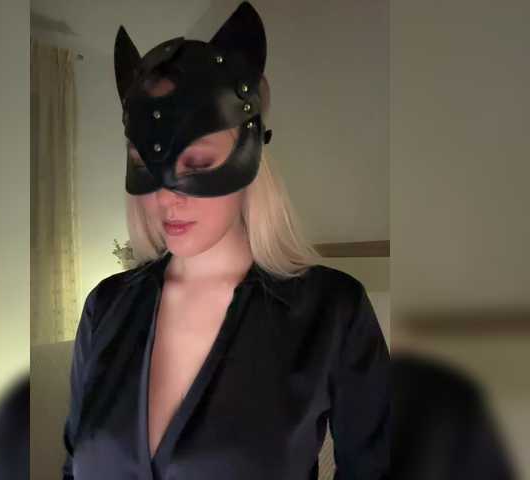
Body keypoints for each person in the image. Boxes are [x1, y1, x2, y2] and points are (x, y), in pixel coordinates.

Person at [62, 2, 390, 479]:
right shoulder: (105, 307)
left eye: (196, 163)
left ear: (251, 157)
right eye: (146, 164)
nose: (166, 197)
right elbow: (73, 464)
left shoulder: (333, 311)